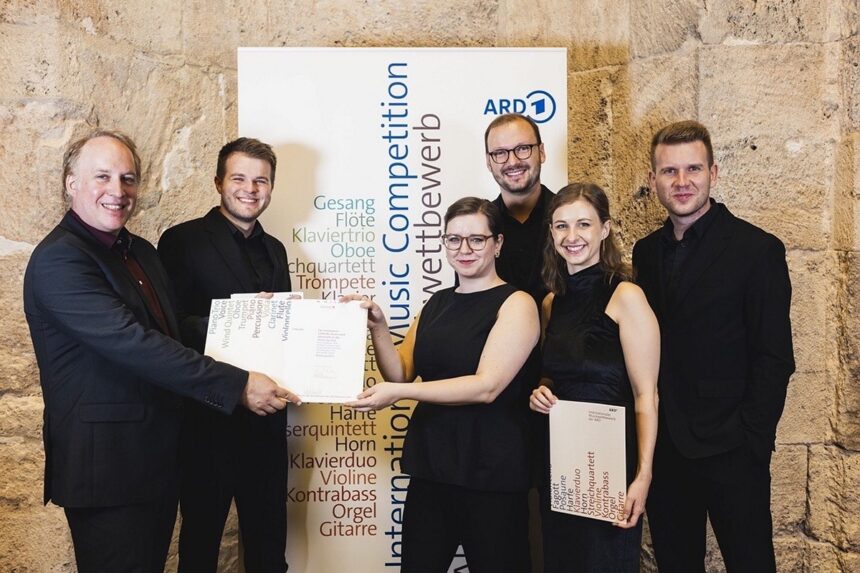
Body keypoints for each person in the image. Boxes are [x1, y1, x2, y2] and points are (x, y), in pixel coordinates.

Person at [23, 130, 297, 573]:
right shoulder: (61, 259)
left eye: (127, 178)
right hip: (107, 468)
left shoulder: (140, 252)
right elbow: (136, 343)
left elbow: (172, 330)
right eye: (102, 176)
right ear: (72, 183)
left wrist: (253, 322)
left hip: (155, 462)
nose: (117, 190)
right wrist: (239, 385)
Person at [344, 197, 539, 572]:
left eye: (476, 239)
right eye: (454, 239)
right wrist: (379, 327)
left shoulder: (517, 303)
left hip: (491, 475)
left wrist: (401, 394)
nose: (464, 249)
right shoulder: (437, 303)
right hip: (433, 467)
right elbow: (400, 373)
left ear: (498, 243)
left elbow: (486, 387)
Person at [632, 120, 795, 572]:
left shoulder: (757, 250)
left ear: (713, 173)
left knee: (751, 563)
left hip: (732, 449)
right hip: (666, 448)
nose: (681, 181)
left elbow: (775, 357)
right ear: (653, 179)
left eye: (693, 169)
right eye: (669, 171)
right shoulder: (645, 253)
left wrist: (752, 440)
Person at [158, 138, 291, 573]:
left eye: (261, 181)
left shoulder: (276, 250)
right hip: (207, 419)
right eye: (239, 178)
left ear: (271, 187)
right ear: (218, 182)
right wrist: (241, 317)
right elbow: (171, 326)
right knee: (200, 547)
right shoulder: (181, 240)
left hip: (266, 421)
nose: (250, 189)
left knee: (269, 548)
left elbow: (285, 333)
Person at [529, 183, 660, 572]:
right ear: (551, 233)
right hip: (562, 465)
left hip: (610, 468)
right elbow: (555, 374)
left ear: (605, 229)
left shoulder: (626, 296)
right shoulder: (551, 303)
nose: (572, 236)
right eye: (562, 226)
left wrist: (643, 476)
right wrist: (542, 391)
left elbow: (646, 395)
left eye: (583, 224)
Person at [484, 113, 555, 305]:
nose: (513, 161)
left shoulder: (573, 220)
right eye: (500, 153)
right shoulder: (479, 227)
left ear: (541, 152)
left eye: (523, 149)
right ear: (489, 162)